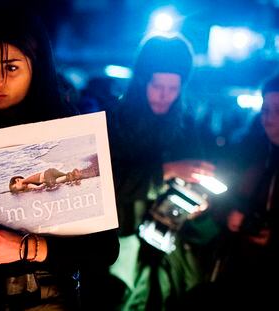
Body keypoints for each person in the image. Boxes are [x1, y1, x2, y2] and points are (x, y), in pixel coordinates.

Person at [0, 7, 119, 311]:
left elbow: (103, 249)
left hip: (47, 301)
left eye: (11, 68)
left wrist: (25, 247)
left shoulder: (69, 133)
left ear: (37, 67)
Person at [105, 34, 220, 310]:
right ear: (142, 81)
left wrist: (200, 203)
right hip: (121, 245)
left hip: (170, 248)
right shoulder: (115, 121)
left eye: (173, 87)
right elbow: (109, 183)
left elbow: (200, 180)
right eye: (157, 85)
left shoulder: (186, 126)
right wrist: (167, 171)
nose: (165, 95)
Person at [201, 72, 279, 309]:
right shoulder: (251, 155)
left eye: (278, 111)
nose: (269, 119)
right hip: (239, 272)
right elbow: (226, 194)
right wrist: (228, 215)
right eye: (266, 110)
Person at [9, 167, 82, 193]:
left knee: (54, 182)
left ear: (17, 180)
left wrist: (42, 186)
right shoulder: (29, 181)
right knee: (63, 177)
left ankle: (70, 176)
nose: (17, 190)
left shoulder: (25, 181)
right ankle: (73, 174)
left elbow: (37, 187)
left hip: (47, 174)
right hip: (51, 171)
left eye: (15, 188)